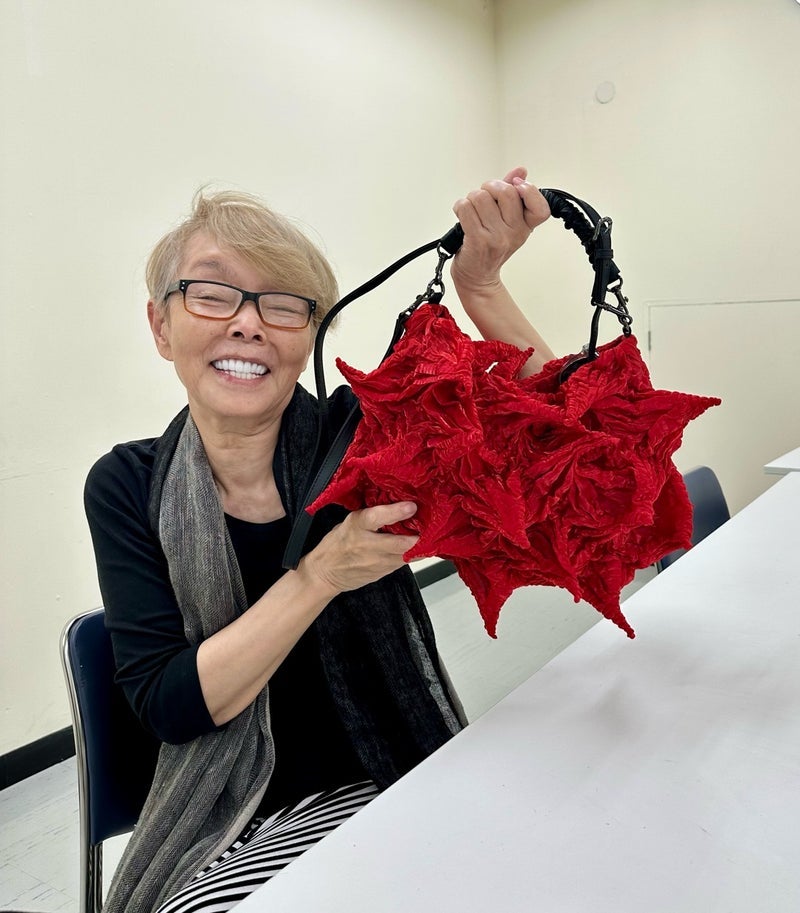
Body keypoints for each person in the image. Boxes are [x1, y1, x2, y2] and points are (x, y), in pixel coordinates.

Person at [84, 167, 554, 913]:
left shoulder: (364, 438)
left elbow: (563, 465)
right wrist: (318, 576)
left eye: (283, 304)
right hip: (223, 814)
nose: (249, 323)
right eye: (213, 293)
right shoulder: (126, 484)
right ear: (160, 326)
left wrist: (483, 288)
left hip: (389, 769)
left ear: (308, 336)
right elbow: (172, 706)